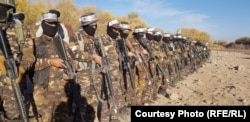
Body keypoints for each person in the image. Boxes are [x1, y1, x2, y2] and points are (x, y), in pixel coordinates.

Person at [32, 12, 101, 122]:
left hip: (62, 93)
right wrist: (49, 61)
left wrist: (70, 71)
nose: (53, 26)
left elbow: (72, 61)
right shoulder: (34, 42)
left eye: (55, 24)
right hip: (43, 91)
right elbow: (29, 64)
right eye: (50, 24)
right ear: (43, 24)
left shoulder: (62, 44)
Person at [0, 0, 35, 121]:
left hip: (12, 87)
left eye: (3, 7)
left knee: (15, 118)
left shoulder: (21, 30)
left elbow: (29, 56)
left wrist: (21, 69)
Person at [73, 12, 103, 121]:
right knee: (82, 106)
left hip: (96, 75)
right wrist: (92, 57)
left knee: (93, 105)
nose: (95, 27)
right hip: (82, 76)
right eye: (92, 25)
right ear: (86, 25)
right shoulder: (76, 37)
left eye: (96, 25)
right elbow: (74, 53)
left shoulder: (95, 39)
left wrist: (102, 66)